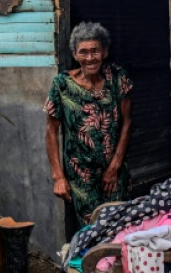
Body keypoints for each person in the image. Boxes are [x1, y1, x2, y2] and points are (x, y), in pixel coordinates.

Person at [45, 21, 133, 225]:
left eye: (95, 51)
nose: (90, 58)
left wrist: (115, 167)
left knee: (120, 226)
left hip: (114, 172)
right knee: (90, 229)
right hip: (80, 176)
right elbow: (51, 131)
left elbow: (127, 123)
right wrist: (58, 177)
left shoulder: (117, 78)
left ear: (104, 52)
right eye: (83, 52)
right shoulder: (62, 85)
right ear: (75, 55)